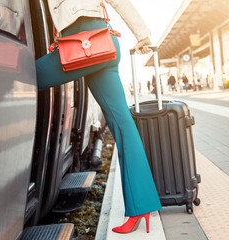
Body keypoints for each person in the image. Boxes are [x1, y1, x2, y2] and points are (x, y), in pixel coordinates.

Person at [36, 0, 162, 234]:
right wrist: (143, 35)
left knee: (26, 75)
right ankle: (141, 207)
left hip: (81, 46)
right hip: (104, 45)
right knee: (124, 126)